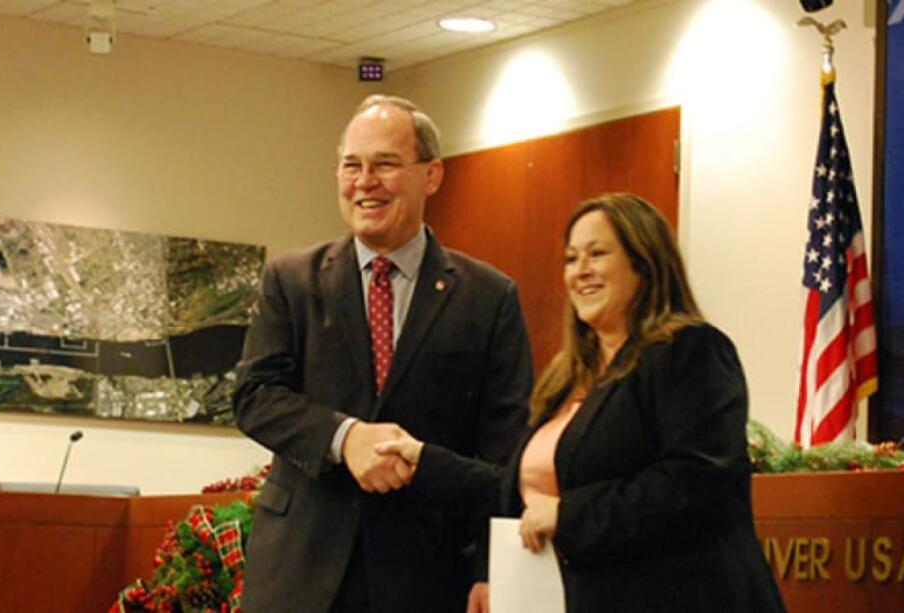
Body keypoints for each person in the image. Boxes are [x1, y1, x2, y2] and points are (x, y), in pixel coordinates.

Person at [379, 193, 786, 613]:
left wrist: (570, 516)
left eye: (597, 254)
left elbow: (695, 483)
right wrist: (425, 461)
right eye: (571, 259)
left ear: (643, 262)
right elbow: (522, 491)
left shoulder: (690, 351)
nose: (580, 272)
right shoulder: (566, 380)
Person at [232, 94, 534, 613]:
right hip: (300, 571)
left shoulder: (489, 297)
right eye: (352, 165)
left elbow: (505, 449)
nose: (364, 182)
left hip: (426, 571)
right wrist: (344, 438)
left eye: (386, 165)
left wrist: (492, 568)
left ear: (432, 175)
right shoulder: (291, 280)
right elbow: (254, 396)